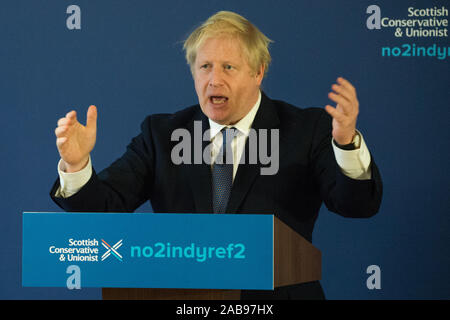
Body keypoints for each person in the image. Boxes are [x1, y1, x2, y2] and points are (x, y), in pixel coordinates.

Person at [50, 11, 382, 299]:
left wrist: (347, 144)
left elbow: (356, 205)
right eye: (204, 66)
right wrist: (77, 165)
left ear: (258, 72)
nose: (214, 80)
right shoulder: (161, 135)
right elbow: (103, 210)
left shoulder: (306, 129)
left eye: (228, 67)